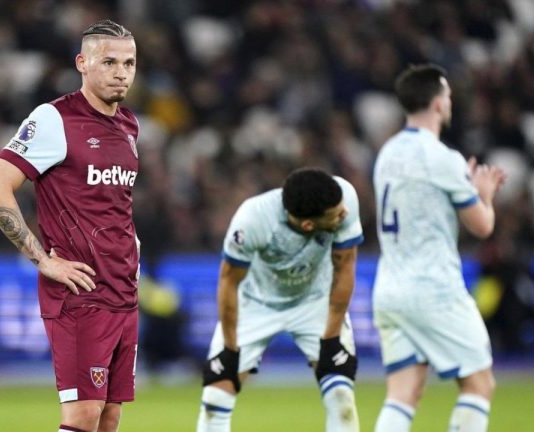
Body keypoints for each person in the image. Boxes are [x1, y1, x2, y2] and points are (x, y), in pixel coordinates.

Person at [0, 20, 140, 432]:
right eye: (109, 61)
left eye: (130, 62)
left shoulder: (129, 125)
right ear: (82, 63)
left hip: (123, 290)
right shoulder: (54, 118)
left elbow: (113, 205)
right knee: (83, 413)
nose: (121, 72)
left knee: (109, 415)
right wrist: (43, 260)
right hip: (79, 293)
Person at [372, 64, 507, 432]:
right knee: (479, 385)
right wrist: (484, 194)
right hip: (434, 289)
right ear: (436, 103)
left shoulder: (386, 154)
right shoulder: (442, 158)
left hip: (389, 288)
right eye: (447, 95)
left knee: (403, 393)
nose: (450, 101)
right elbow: (482, 225)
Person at [197, 167, 365, 432]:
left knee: (341, 398)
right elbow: (229, 283)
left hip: (315, 301)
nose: (344, 214)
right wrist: (230, 349)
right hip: (256, 303)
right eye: (336, 215)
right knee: (215, 398)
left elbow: (345, 268)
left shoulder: (343, 198)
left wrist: (331, 339)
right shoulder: (252, 220)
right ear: (308, 224)